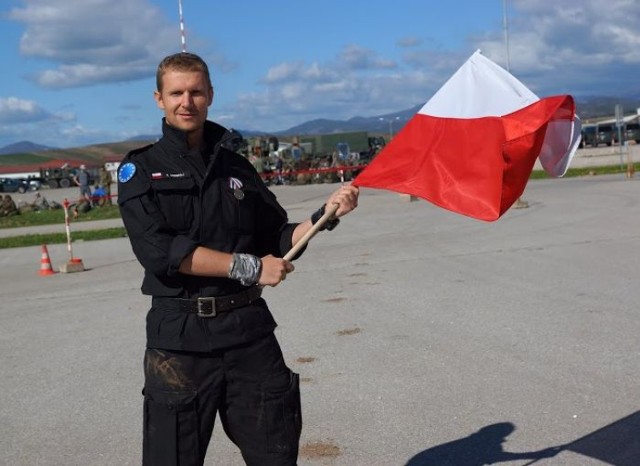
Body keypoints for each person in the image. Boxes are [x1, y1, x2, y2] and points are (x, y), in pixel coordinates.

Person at [117, 52, 359, 466]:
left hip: (249, 335)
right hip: (180, 343)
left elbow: (277, 237)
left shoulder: (238, 167)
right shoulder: (140, 171)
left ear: (210, 94)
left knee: (276, 455)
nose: (186, 102)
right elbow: (160, 254)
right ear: (159, 98)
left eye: (196, 91)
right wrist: (249, 267)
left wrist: (325, 216)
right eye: (176, 93)